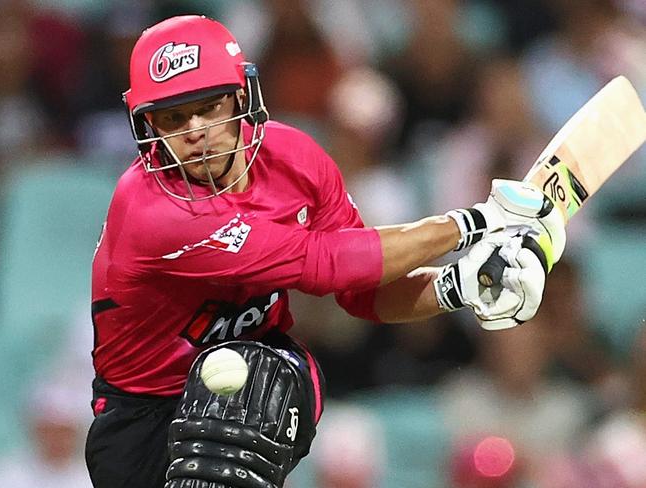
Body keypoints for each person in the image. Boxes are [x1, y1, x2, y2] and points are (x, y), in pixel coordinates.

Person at [85, 15, 566, 488]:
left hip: (257, 373)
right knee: (241, 399)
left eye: (207, 107)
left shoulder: (296, 158)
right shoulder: (151, 209)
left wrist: (458, 286)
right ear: (147, 125)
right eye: (172, 117)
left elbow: (364, 294)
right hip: (142, 413)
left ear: (240, 98)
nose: (193, 132)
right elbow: (328, 264)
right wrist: (475, 223)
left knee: (259, 379)